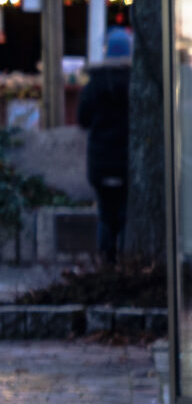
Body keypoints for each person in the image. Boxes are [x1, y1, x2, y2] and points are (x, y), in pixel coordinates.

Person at [78, 26, 133, 263]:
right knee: (124, 212)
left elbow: (83, 119)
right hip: (126, 161)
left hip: (100, 162)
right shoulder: (136, 85)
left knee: (104, 213)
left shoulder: (93, 85)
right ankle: (127, 260)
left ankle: (105, 261)